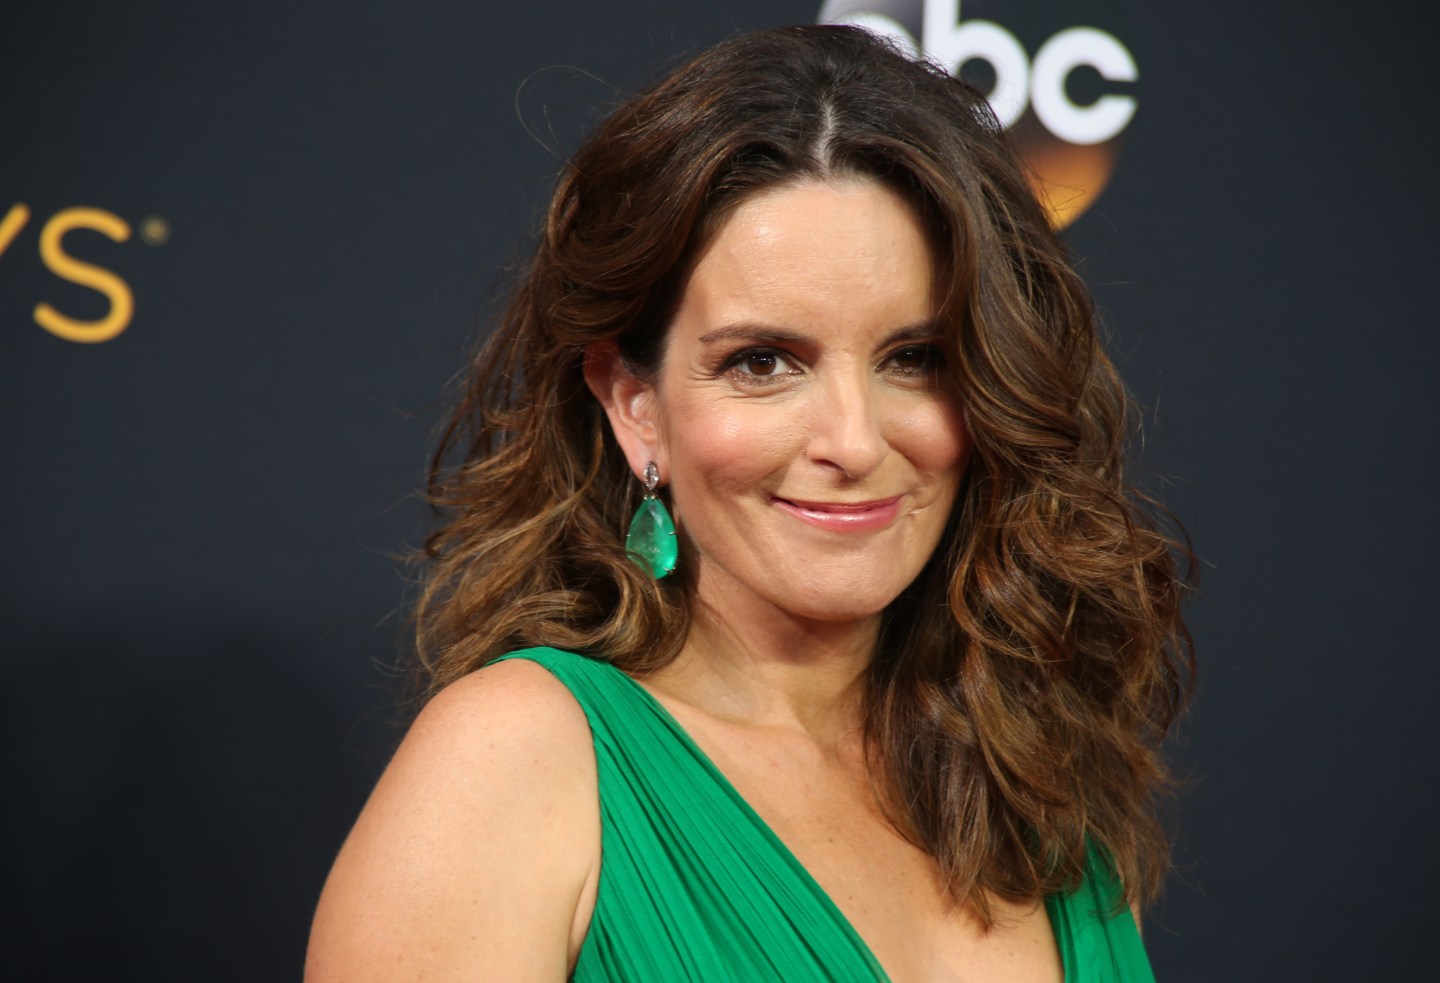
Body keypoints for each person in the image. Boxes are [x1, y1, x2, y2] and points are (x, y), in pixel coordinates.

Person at [305, 24, 1192, 983]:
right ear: (635, 407)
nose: (853, 441)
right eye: (763, 363)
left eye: (915, 359)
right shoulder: (520, 761)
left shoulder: (1036, 777)